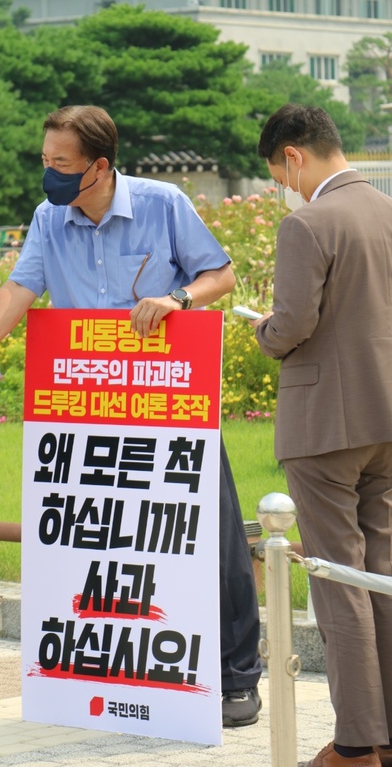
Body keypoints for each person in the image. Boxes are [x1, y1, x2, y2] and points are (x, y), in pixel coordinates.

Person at [0, 105, 263, 728]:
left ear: (99, 166)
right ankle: (116, 672)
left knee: (211, 533)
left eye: (61, 164)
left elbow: (221, 273)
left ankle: (237, 676)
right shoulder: (50, 217)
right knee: (101, 540)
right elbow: (21, 287)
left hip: (167, 401)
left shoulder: (163, 203)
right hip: (87, 407)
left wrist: (175, 299)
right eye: (45, 161)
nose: (48, 173)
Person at [253, 104, 392, 767]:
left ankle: (358, 741)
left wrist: (262, 332)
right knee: (382, 578)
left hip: (323, 425)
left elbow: (292, 324)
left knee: (338, 581)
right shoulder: (389, 211)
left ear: (294, 157)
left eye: (279, 172)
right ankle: (385, 735)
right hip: (385, 419)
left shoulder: (307, 223)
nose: (285, 185)